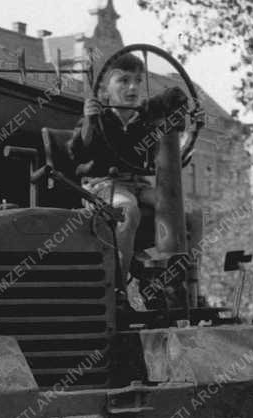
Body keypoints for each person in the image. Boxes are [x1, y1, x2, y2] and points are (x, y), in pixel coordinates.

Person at [67, 52, 189, 301]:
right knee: (127, 211)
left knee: (188, 214)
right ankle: (117, 290)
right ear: (104, 90)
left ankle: (172, 283)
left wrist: (182, 126)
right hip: (102, 186)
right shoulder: (97, 119)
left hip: (137, 185)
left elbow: (164, 151)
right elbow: (78, 150)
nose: (132, 87)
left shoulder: (143, 121)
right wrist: (90, 120)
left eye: (137, 80)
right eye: (123, 81)